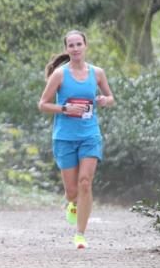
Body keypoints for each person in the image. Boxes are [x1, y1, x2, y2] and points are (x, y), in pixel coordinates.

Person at [37, 30, 114, 249]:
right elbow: (42, 104)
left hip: (90, 135)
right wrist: (64, 108)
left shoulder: (97, 73)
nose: (76, 48)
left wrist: (104, 100)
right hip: (64, 137)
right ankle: (72, 203)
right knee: (72, 192)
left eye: (79, 44)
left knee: (85, 183)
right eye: (71, 45)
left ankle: (80, 234)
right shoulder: (60, 75)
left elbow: (110, 97)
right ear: (67, 49)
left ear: (85, 46)